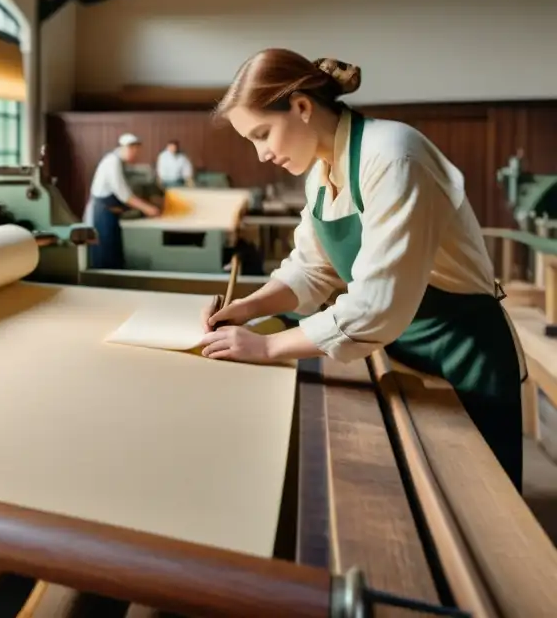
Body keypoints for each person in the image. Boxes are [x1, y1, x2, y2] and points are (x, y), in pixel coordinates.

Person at [198, 48, 526, 491]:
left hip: (459, 350)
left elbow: (375, 306)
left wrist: (267, 347)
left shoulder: (393, 156)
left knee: (485, 504)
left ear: (300, 107)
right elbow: (312, 269)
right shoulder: (321, 172)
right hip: (404, 342)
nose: (261, 155)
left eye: (263, 134)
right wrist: (248, 308)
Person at [84, 133, 161, 269]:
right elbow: (124, 195)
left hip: (111, 216)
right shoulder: (112, 162)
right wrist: (149, 209)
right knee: (105, 255)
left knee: (114, 253)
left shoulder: (120, 162)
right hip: (102, 215)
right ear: (126, 148)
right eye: (134, 151)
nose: (135, 156)